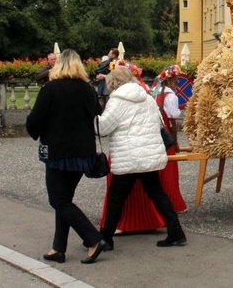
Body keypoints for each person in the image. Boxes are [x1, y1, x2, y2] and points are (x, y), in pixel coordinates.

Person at [26, 49, 107, 264]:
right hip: (83, 153)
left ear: (59, 65)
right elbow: (97, 115)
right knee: (64, 199)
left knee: (58, 200)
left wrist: (35, 129)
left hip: (58, 152)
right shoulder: (88, 90)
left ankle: (93, 238)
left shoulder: (50, 89)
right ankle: (58, 248)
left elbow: (35, 121)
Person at [97, 66, 187, 249]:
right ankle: (175, 231)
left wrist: (92, 119)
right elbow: (158, 122)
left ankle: (106, 238)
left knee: (116, 197)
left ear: (114, 83)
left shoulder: (117, 100)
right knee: (157, 193)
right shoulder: (147, 97)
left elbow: (103, 128)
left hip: (128, 155)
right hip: (148, 153)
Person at [156, 65, 187, 213]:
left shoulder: (156, 94)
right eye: (175, 80)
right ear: (169, 81)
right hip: (166, 135)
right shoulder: (171, 97)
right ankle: (174, 204)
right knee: (170, 170)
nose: (177, 83)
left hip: (156, 135)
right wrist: (175, 142)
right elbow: (173, 122)